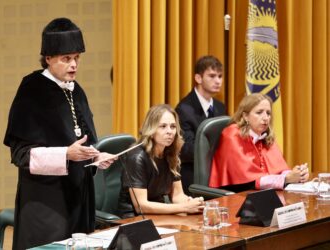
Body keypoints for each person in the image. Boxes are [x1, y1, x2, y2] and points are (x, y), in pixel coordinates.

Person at [3, 17, 115, 250]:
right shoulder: (31, 90)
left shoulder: (77, 90)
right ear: (48, 59)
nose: (74, 65)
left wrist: (96, 156)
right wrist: (65, 154)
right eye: (66, 59)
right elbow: (21, 155)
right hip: (45, 205)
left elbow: (84, 140)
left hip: (79, 201)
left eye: (77, 58)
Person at [117, 104, 204, 218]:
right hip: (133, 219)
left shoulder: (171, 154)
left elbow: (177, 196)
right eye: (163, 126)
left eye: (173, 126)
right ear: (151, 130)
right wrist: (184, 208)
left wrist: (192, 202)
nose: (170, 131)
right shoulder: (137, 158)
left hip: (160, 215)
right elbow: (141, 206)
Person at [209, 93, 309, 192]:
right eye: (259, 112)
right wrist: (286, 179)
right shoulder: (232, 134)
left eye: (268, 113)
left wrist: (297, 174)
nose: (266, 118)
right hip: (237, 196)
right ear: (245, 116)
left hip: (263, 194)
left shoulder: (266, 135)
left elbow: (279, 169)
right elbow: (248, 181)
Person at [176, 55, 226, 194]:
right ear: (198, 78)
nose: (218, 81)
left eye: (220, 76)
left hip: (217, 172)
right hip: (193, 174)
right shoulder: (184, 109)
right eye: (212, 76)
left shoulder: (220, 107)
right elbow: (186, 150)